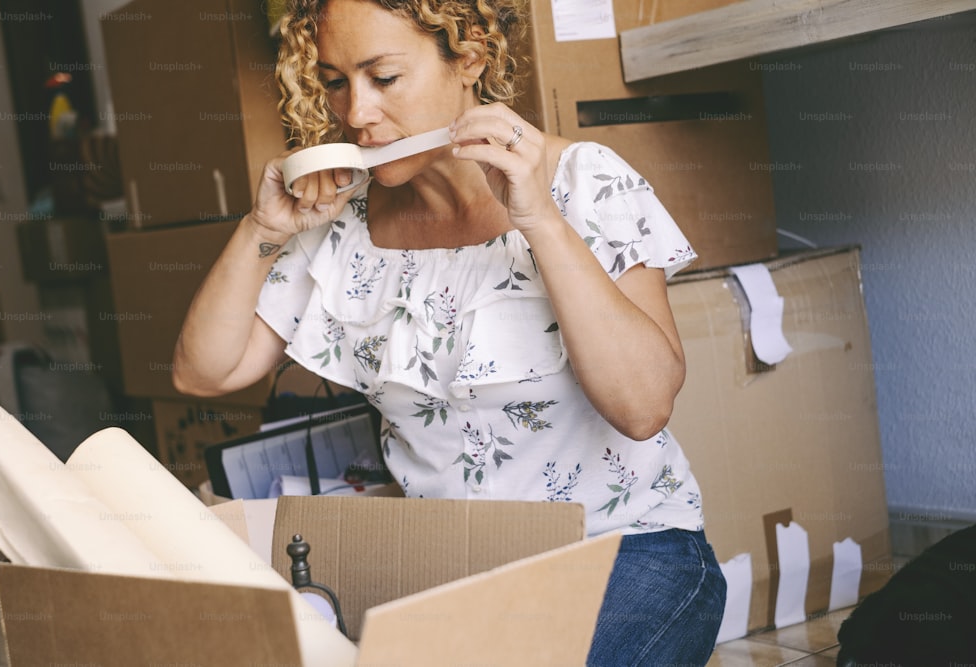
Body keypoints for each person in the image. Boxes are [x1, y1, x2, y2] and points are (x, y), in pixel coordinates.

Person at [172, 0, 726, 663]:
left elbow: (643, 408)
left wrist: (540, 222)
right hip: (446, 570)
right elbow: (203, 371)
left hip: (625, 552)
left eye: (384, 77)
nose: (356, 115)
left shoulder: (585, 182)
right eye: (336, 81)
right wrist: (259, 230)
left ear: (471, 58)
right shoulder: (340, 225)